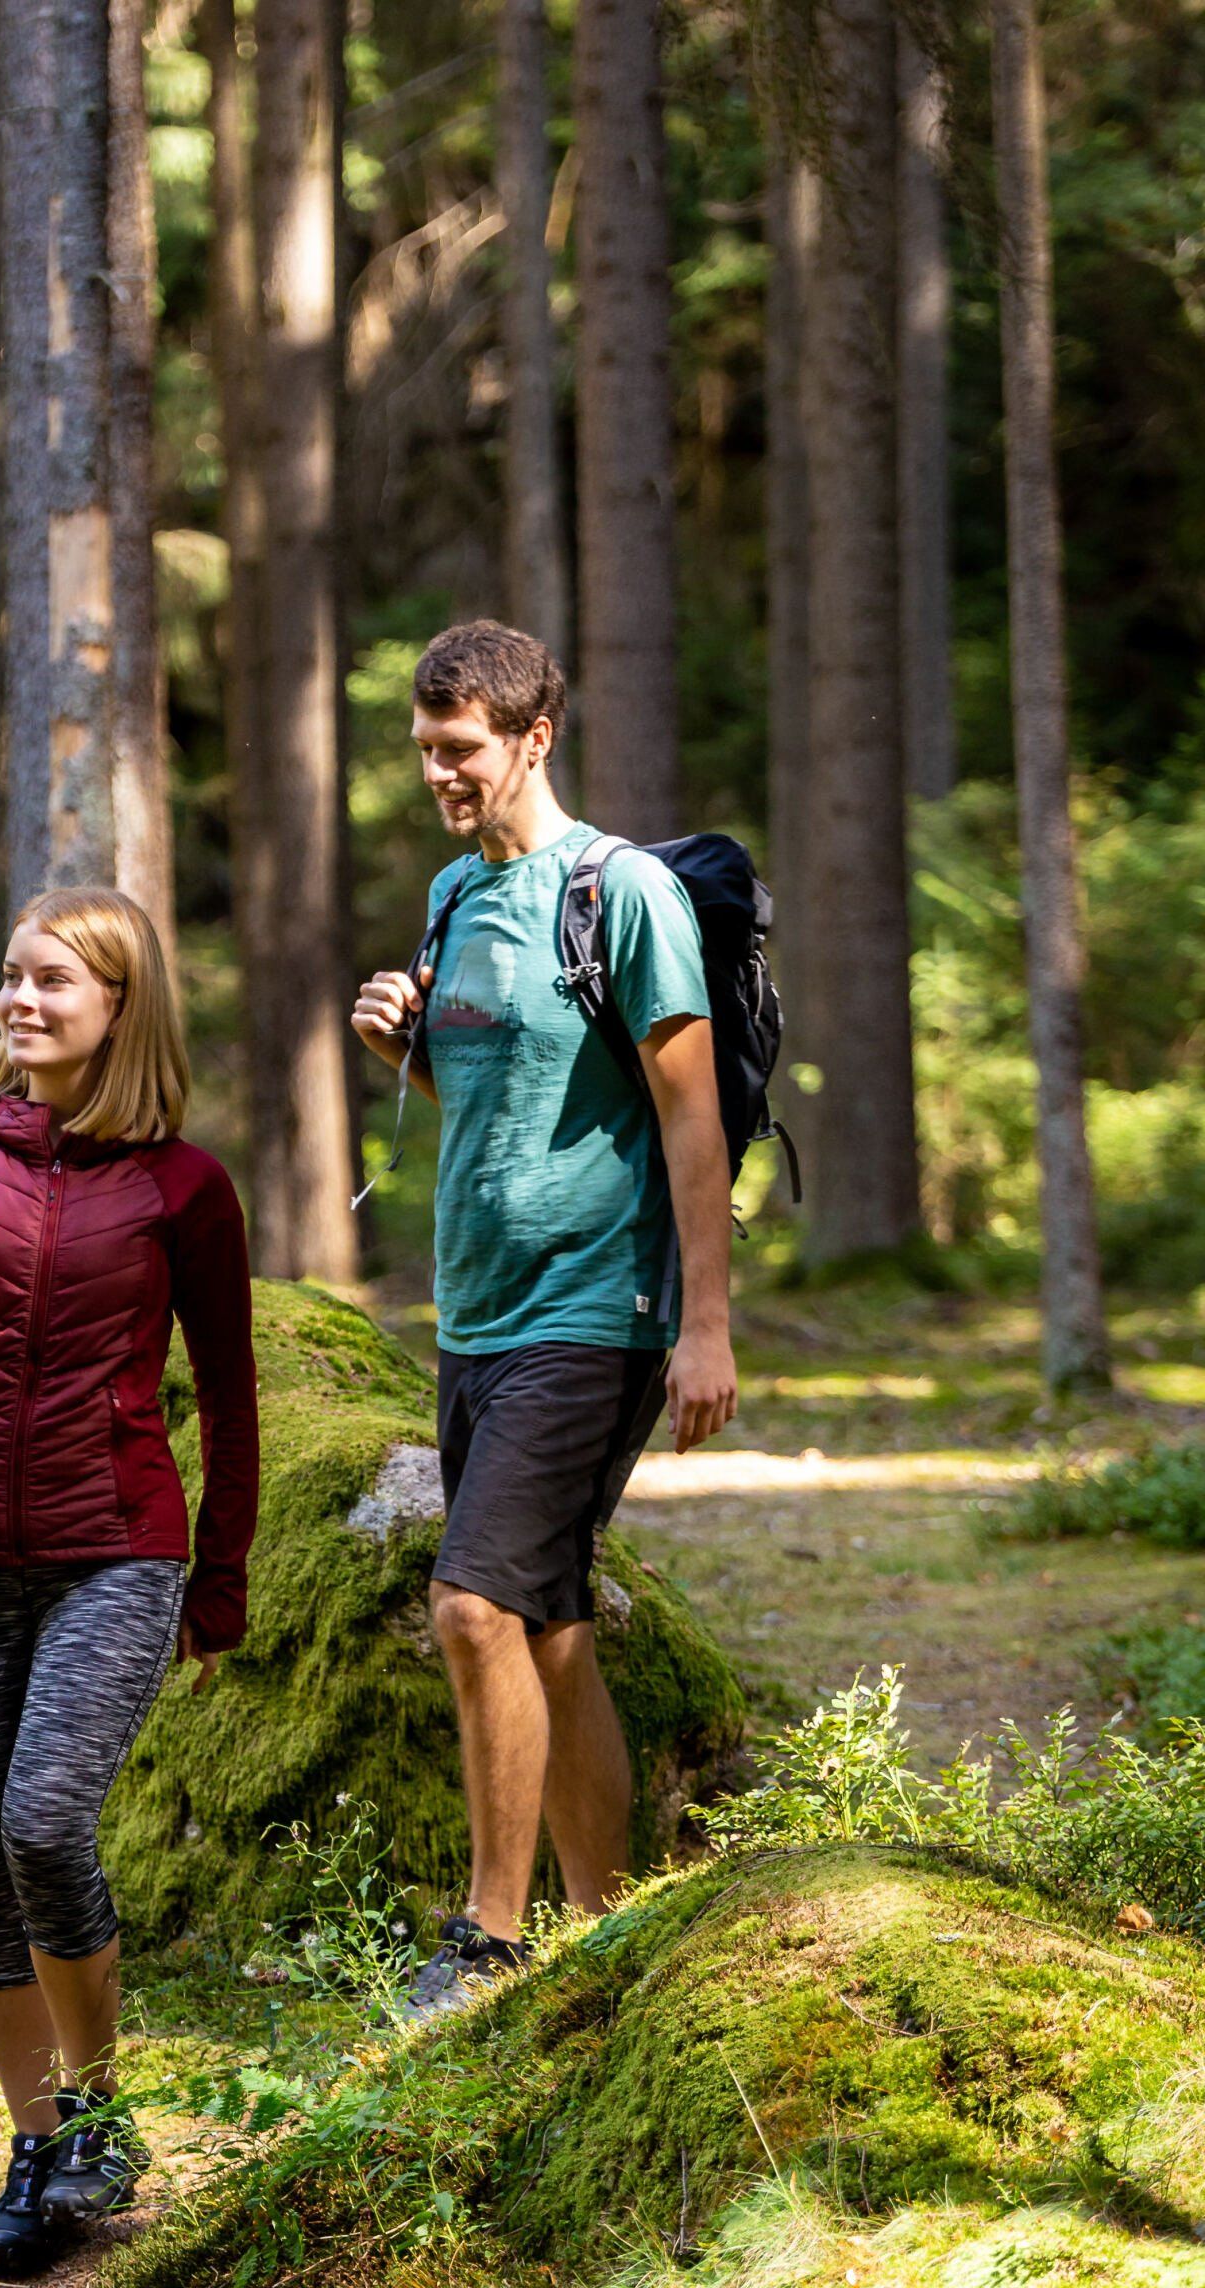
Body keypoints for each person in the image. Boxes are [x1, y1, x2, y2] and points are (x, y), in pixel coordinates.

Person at [0, 887, 258, 2273]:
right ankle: (36, 2149)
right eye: (13, 979)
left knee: (42, 1821)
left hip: (117, 1554)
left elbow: (234, 1395)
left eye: (52, 985)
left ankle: (99, 2107)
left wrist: (223, 1575)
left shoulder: (185, 1188)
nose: (21, 1002)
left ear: (119, 1010)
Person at [351, 620, 736, 2019]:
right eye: (426, 753)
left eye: (461, 752)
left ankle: (492, 1946)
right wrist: (405, 1045)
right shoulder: (456, 897)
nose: (441, 776)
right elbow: (502, 1104)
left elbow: (688, 1118)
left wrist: (706, 1324)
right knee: (550, 1620)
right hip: (480, 1313)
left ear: (533, 736)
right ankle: (605, 1933)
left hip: (601, 1305)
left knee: (471, 1607)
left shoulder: (621, 893)